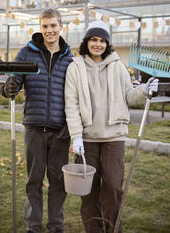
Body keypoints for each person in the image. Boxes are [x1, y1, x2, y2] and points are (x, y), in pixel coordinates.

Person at [64, 20, 159, 233]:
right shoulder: (74, 68)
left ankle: (113, 229)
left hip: (113, 138)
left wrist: (144, 90)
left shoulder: (118, 66)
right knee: (88, 192)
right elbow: (71, 105)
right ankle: (93, 230)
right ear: (86, 41)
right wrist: (76, 136)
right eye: (93, 40)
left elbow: (128, 96)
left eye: (102, 40)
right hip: (86, 139)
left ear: (107, 43)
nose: (98, 44)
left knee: (113, 188)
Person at [1, 8, 73, 233]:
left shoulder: (70, 59)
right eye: (45, 26)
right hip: (34, 127)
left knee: (57, 181)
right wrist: (10, 87)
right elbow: (11, 84)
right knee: (33, 180)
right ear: (40, 28)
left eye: (53, 26)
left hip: (61, 130)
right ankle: (33, 226)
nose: (49, 30)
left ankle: (55, 225)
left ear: (61, 26)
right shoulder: (26, 53)